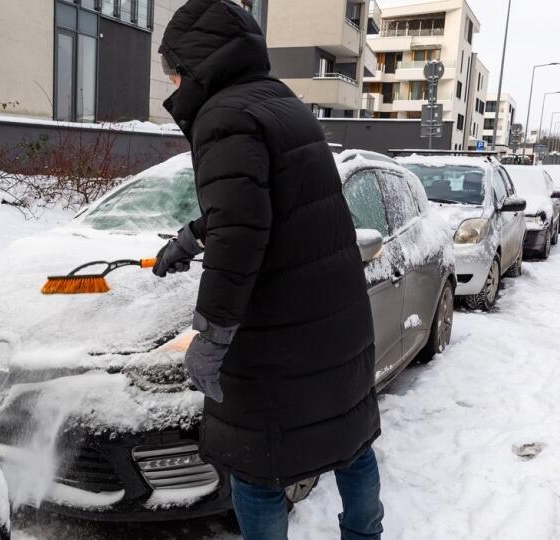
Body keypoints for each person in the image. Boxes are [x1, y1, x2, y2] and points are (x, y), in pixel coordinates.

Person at [151, 1, 384, 538]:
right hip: (337, 324)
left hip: (277, 339)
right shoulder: (282, 103)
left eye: (174, 67)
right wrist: (192, 235)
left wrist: (210, 337)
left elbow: (241, 232)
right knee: (350, 444)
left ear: (200, 61)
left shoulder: (223, 116)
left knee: (256, 469)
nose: (173, 80)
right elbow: (267, 206)